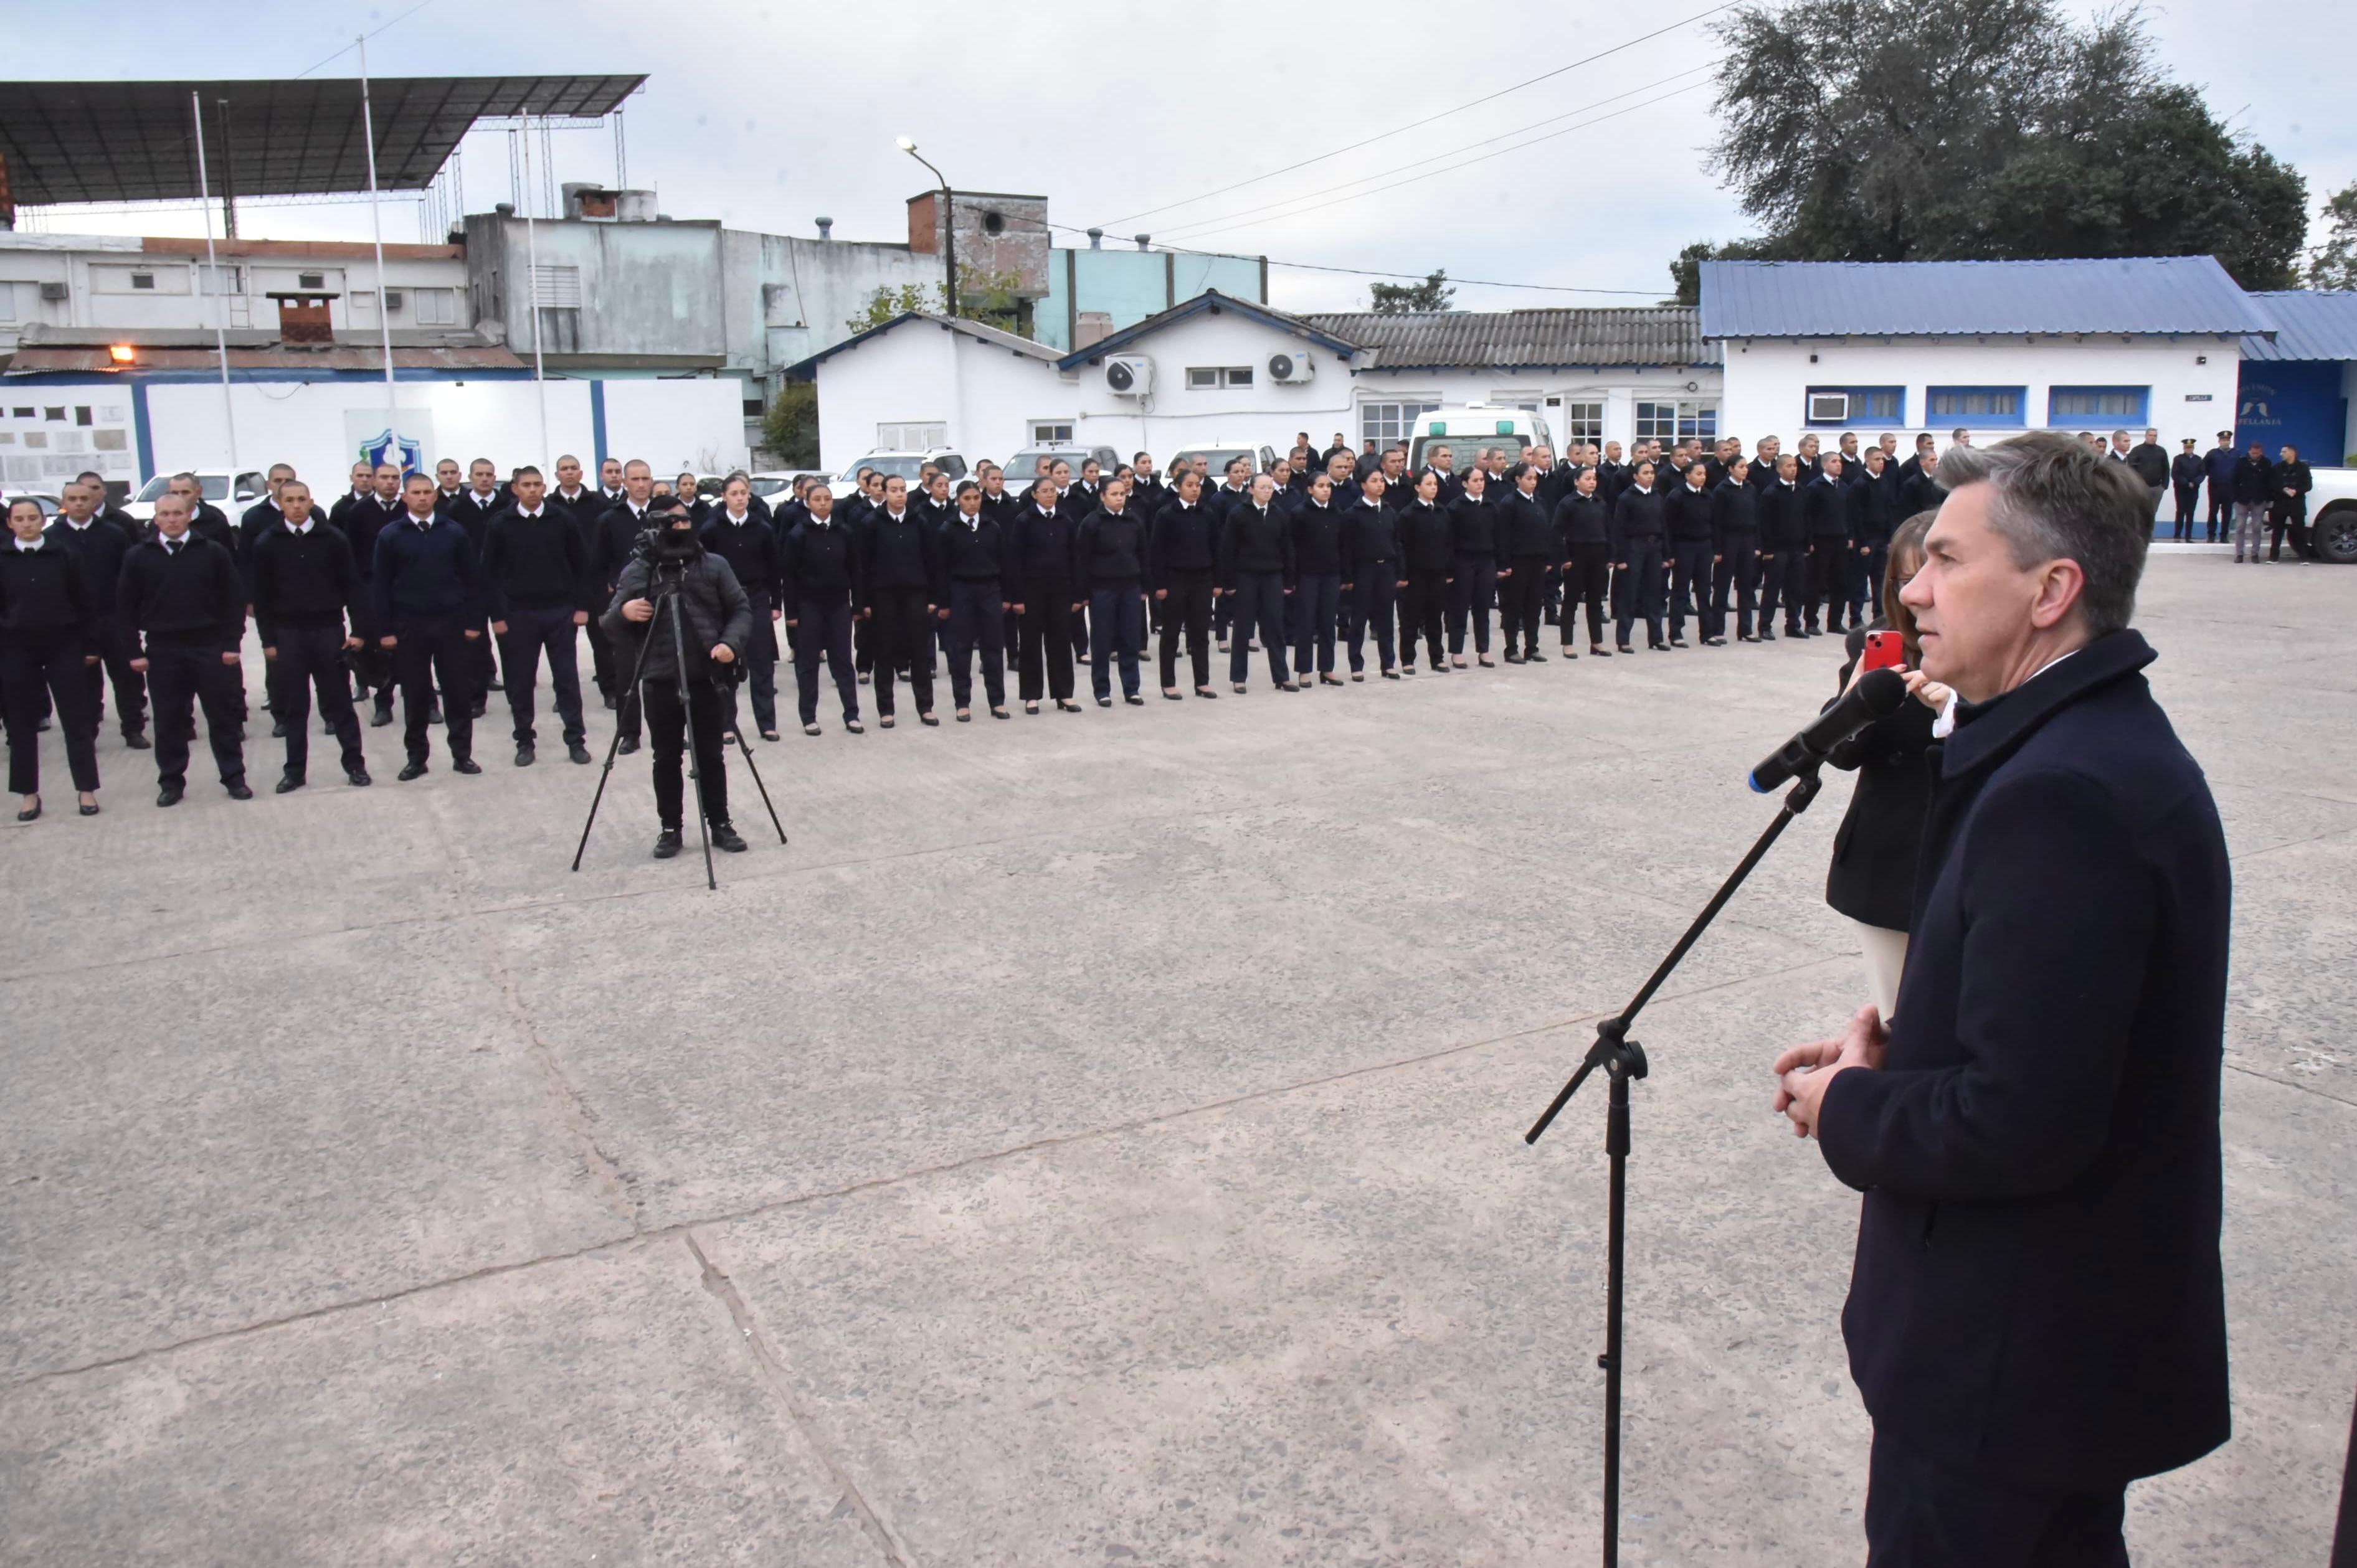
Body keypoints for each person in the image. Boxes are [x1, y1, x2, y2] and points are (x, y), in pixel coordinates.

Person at [1771, 431, 2229, 1566]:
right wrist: (1898, 1052)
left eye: (1942, 560)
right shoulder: (2067, 744)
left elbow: (2016, 1120)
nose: (1912, 588)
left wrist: (1844, 1107)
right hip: (2042, 1352)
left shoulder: (2061, 792)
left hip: (2009, 1356)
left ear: (2049, 590)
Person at [1819, 514, 1940, 1019]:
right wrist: (1853, 701)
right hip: (1888, 857)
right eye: (1904, 579)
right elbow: (1840, 754)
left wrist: (1954, 714)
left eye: (1933, 574)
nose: (1917, 593)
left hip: (1964, 852)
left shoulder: (1991, 650)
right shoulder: (1878, 643)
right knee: (1900, 1017)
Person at [604, 498, 751, 858]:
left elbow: (741, 609)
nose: (678, 529)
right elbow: (609, 626)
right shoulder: (639, 571)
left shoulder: (713, 565)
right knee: (666, 758)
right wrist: (624, 612)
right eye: (670, 523)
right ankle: (670, 829)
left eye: (684, 521)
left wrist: (730, 644)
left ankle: (719, 822)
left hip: (707, 676)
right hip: (660, 677)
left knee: (711, 755)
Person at [119, 488, 249, 806]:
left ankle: (234, 778)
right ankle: (171, 782)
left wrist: (232, 643)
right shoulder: (138, 556)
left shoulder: (213, 552)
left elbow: (233, 601)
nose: (171, 519)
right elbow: (125, 608)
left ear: (189, 515)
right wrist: (133, 651)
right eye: (164, 514)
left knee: (222, 718)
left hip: (209, 647)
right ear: (156, 519)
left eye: (177, 513)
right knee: (169, 720)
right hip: (163, 650)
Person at [249, 479, 370, 793]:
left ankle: (355, 765)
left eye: (302, 499)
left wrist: (358, 631)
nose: (297, 506)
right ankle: (294, 771)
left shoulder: (333, 539)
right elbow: (261, 598)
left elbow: (353, 587)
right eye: (290, 500)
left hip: (328, 630)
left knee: (339, 701)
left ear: (311, 501)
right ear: (280, 504)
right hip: (289, 634)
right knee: (294, 706)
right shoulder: (266, 542)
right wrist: (268, 641)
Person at [373, 471, 483, 782]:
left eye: (427, 492)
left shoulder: (454, 532)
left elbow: (472, 580)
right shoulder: (391, 535)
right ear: (405, 497)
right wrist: (386, 630)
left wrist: (473, 622)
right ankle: (416, 758)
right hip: (410, 628)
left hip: (451, 626)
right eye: (415, 493)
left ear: (435, 496)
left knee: (458, 693)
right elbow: (380, 586)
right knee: (416, 695)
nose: (422, 498)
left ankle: (462, 756)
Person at [481, 465, 592, 767]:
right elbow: (488, 573)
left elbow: (582, 565)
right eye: (526, 485)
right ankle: (524, 742)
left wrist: (582, 607)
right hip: (518, 614)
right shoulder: (501, 524)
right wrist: (496, 615)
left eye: (537, 485)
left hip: (560, 613)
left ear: (545, 488)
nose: (532, 490)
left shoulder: (562, 520)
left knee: (567, 679)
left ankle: (576, 741)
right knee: (520, 681)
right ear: (515, 489)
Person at [2, 496, 102, 819]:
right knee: (20, 725)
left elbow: (86, 601)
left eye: (33, 518)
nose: (27, 524)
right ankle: (28, 794)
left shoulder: (65, 554)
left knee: (76, 721)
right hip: (16, 649)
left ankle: (86, 790)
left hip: (63, 645)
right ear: (10, 524)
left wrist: (90, 646)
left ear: (43, 520)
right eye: (20, 519)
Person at [45, 479, 145, 748]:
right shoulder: (52, 538)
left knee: (126, 678)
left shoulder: (114, 534)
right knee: (84, 682)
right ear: (63, 503)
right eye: (73, 499)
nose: (79, 503)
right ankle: (87, 733)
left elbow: (129, 576)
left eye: (84, 499)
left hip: (114, 617)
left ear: (95, 502)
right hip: (74, 623)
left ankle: (133, 729)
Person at [698, 475, 783, 744]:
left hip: (756, 599)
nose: (739, 498)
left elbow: (774, 568)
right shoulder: (711, 529)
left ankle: (767, 724)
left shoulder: (762, 528)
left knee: (762, 664)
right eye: (733, 493)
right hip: (723, 604)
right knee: (726, 664)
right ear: (724, 496)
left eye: (743, 493)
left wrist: (776, 604)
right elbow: (703, 568)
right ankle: (726, 724)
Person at [779, 484, 861, 735]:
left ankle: (852, 714)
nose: (823, 504)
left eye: (827, 499)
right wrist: (791, 613)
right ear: (808, 502)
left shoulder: (844, 531)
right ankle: (809, 717)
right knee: (808, 663)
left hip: (838, 604)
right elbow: (790, 577)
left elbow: (855, 571)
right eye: (817, 499)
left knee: (843, 661)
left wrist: (857, 605)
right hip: (808, 605)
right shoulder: (798, 534)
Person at [936, 479, 1009, 721]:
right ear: (958, 500)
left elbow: (1003, 563)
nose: (972, 503)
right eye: (967, 499)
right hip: (961, 592)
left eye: (976, 498)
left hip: (989, 590)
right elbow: (941, 569)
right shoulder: (949, 528)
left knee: (993, 648)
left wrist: (1006, 596)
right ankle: (963, 702)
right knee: (961, 649)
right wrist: (944, 603)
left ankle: (997, 701)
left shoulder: (992, 527)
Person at [1007, 476, 1081, 715]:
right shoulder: (1024, 521)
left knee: (1060, 641)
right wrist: (1017, 597)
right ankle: (1031, 696)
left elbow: (1074, 558)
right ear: (1034, 494)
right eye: (1045, 491)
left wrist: (1076, 593)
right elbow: (1015, 561)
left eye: (1053, 491)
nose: (1050, 495)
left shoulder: (1065, 520)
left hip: (1060, 590)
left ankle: (1064, 694)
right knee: (1030, 643)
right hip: (1031, 592)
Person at [1218, 473, 1296, 694]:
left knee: (1274, 627)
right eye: (1262, 487)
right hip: (1246, 577)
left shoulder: (1279, 514)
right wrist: (1229, 582)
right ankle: (1239, 677)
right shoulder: (1238, 514)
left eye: (1269, 488)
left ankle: (1282, 676)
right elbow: (1228, 550)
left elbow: (1287, 548)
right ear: (1251, 489)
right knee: (1243, 628)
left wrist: (1289, 580)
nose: (1267, 491)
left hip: (1272, 576)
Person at [1075, 476, 1150, 706]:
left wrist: (1145, 586)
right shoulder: (1091, 523)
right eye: (1114, 494)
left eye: (1122, 494)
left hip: (1130, 587)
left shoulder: (1134, 521)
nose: (1119, 498)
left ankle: (1131, 688)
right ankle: (1102, 689)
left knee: (1130, 638)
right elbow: (1082, 560)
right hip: (1102, 588)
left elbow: (1144, 555)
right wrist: (1083, 593)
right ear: (1103, 496)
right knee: (1102, 639)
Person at [1149, 467, 1218, 700]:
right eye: (1189, 485)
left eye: (1197, 485)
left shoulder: (1207, 513)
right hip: (1175, 580)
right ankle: (1168, 683)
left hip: (1202, 579)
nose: (1194, 489)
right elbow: (1156, 552)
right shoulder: (1166, 514)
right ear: (1178, 487)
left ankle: (1202, 682)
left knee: (1200, 632)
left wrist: (1217, 581)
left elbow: (1216, 548)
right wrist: (1159, 585)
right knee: (1171, 633)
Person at [1340, 471, 1402, 680]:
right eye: (1374, 481)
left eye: (1381, 481)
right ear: (1363, 486)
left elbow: (1397, 543)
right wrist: (1348, 577)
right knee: (1358, 619)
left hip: (1386, 570)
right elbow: (1346, 549)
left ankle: (1389, 664)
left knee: (1386, 619)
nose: (1379, 484)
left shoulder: (1389, 511)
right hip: (1363, 571)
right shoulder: (1353, 513)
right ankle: (1356, 666)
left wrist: (1400, 571)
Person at [1288, 470, 1346, 687]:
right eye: (1321, 486)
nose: (1326, 490)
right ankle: (1304, 670)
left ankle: (1327, 669)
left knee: (1328, 623)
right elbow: (1292, 547)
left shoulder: (1336, 512)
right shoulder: (1299, 513)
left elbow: (1342, 545)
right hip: (1307, 575)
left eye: (1328, 486)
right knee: (1306, 623)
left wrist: (1343, 573)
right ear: (1310, 489)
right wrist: (1292, 578)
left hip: (1331, 574)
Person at [1395, 471, 1453, 674]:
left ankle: (1437, 658)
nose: (1433, 487)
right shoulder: (1408, 514)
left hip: (1437, 573)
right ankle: (1408, 659)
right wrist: (1403, 575)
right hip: (1415, 575)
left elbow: (1448, 544)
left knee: (1435, 618)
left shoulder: (1442, 512)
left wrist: (1448, 569)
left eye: (1435, 484)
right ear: (1418, 487)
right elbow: (1402, 546)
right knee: (1411, 619)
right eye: (1429, 484)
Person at [1610, 460, 1670, 653]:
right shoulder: (1626, 498)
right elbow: (1618, 529)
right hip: (1634, 547)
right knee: (1630, 594)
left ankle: (1656, 638)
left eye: (1652, 472)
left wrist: (1666, 554)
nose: (1650, 476)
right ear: (1636, 476)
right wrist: (1621, 558)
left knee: (1654, 593)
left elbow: (1664, 525)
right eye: (1645, 473)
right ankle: (1623, 640)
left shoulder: (1657, 496)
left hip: (1655, 547)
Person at [1498, 462, 1554, 662]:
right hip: (1517, 562)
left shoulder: (1539, 501)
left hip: (1537, 561)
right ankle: (1511, 649)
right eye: (1529, 479)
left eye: (1535, 479)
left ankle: (1532, 647)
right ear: (1518, 479)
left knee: (1534, 606)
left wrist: (1548, 558)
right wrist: (1505, 564)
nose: (1532, 482)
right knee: (1514, 606)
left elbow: (1546, 532)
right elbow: (1503, 536)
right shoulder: (1509, 503)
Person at [1555, 465, 1613, 657]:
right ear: (1576, 481)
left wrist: (1610, 556)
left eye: (1594, 479)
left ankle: (1596, 642)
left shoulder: (1600, 503)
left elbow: (1608, 530)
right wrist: (1564, 558)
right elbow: (1557, 532)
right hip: (1575, 556)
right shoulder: (1568, 503)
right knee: (1571, 600)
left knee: (1595, 601)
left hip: (1597, 556)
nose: (1592, 482)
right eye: (1587, 479)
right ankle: (1567, 644)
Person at [1446, 465, 1499, 667]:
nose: (1479, 484)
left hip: (1486, 562)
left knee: (1483, 607)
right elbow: (1449, 540)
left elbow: (1498, 536)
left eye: (1482, 480)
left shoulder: (1491, 506)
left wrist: (1500, 563)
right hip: (1463, 562)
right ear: (1465, 483)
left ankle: (1483, 650)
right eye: (1475, 480)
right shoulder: (1455, 507)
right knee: (1459, 608)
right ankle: (1456, 651)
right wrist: (1450, 568)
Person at [1664, 460, 1717, 648]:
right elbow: (1668, 527)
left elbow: (1714, 524)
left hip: (1704, 547)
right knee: (1680, 590)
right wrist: (1669, 553)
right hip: (1683, 547)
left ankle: (1707, 633)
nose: (1702, 477)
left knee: (1704, 590)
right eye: (1698, 474)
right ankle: (1676, 633)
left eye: (1704, 474)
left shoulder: (1708, 496)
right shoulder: (1677, 496)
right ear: (1687, 475)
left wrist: (1714, 549)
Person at [1709, 456, 1760, 644]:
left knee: (1746, 586)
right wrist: (1718, 549)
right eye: (1741, 467)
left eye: (1746, 467)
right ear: (1730, 469)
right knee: (1722, 586)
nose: (1745, 470)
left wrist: (1756, 544)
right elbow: (1717, 522)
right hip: (1728, 540)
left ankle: (1746, 629)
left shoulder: (1750, 488)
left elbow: (1757, 517)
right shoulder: (1722, 490)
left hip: (1747, 539)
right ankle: (1717, 629)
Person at [1757, 453, 1808, 640]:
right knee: (1772, 589)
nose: (1793, 469)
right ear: (1779, 469)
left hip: (1797, 548)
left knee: (1796, 589)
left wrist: (1806, 543)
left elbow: (1805, 518)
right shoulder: (1771, 493)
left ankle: (1793, 624)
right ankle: (1765, 626)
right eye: (1788, 466)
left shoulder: (1801, 490)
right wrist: (1767, 549)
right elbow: (1765, 523)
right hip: (1777, 549)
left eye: (1794, 466)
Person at [1803, 451, 1851, 635]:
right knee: (1816, 583)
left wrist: (1849, 536)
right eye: (1834, 461)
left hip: (1840, 541)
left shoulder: (1844, 487)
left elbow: (1849, 514)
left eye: (1840, 462)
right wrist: (1810, 541)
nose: (1839, 464)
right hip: (1821, 541)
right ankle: (1811, 622)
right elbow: (1807, 516)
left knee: (1840, 583)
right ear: (1824, 465)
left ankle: (1835, 622)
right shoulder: (1815, 487)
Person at [2230, 442, 2273, 563]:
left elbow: (2269, 482)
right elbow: (2234, 480)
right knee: (2240, 527)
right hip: (2242, 500)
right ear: (2249, 451)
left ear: (2261, 452)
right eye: (2253, 452)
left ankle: (2255, 554)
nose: (2255, 455)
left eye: (2258, 452)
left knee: (2257, 527)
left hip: (2259, 500)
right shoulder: (2241, 462)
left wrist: (2268, 498)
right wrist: (2235, 497)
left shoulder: (2266, 463)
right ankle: (2239, 554)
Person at [2269, 443, 2313, 562]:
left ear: (2292, 453)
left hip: (2297, 503)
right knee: (2277, 531)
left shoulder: (2303, 468)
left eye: (2284, 452)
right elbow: (2272, 484)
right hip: (2281, 503)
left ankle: (2304, 558)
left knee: (2300, 531)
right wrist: (2283, 490)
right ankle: (2273, 557)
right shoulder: (2277, 468)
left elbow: (2308, 485)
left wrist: (2296, 491)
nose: (2281, 454)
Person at [2201, 430, 2239, 544]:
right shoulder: (2212, 454)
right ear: (2219, 441)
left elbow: (2240, 469)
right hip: (2215, 487)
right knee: (2213, 511)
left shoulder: (2236, 453)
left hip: (2230, 488)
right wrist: (2213, 476)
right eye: (2223, 440)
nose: (2225, 442)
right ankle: (2211, 535)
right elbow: (2204, 467)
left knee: (2227, 513)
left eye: (2227, 440)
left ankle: (2224, 536)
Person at [2170, 438, 2206, 542]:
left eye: (2190, 447)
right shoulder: (2178, 459)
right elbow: (2175, 474)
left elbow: (2202, 474)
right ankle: (2177, 536)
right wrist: (2186, 483)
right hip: (2181, 489)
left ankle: (2188, 536)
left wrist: (2194, 482)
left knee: (2191, 513)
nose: (2188, 449)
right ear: (2184, 448)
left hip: (2194, 489)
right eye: (2186, 447)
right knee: (2180, 512)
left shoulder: (2199, 459)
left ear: (2193, 448)